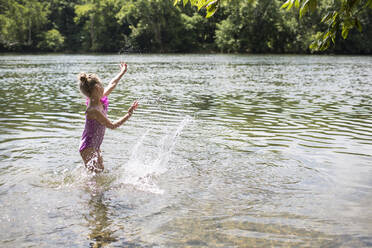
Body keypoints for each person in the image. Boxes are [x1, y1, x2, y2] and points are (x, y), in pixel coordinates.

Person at [78, 62, 138, 173]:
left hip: (95, 145)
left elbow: (112, 83)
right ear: (97, 88)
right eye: (101, 85)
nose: (104, 87)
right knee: (95, 178)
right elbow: (112, 125)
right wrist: (128, 114)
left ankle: (88, 189)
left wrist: (122, 72)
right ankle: (85, 189)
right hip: (88, 147)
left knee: (100, 172)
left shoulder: (99, 98)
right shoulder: (93, 110)